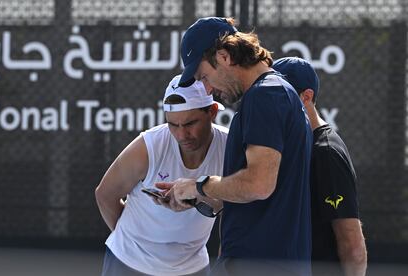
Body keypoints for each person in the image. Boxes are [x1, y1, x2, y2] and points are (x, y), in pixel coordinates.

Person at [156, 17, 313, 276]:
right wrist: (201, 197)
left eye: (204, 76)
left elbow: (259, 184)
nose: (207, 88)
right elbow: (267, 194)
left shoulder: (265, 96)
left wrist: (198, 185)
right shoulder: (275, 93)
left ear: (224, 56)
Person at [95, 74, 228, 276]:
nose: (182, 135)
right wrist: (135, 242)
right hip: (127, 263)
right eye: (173, 125)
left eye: (190, 123)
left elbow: (236, 207)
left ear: (212, 111)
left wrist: (200, 195)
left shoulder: (229, 147)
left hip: (193, 267)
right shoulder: (148, 147)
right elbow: (105, 194)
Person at [273, 57, 367, 276]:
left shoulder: (325, 152)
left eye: (282, 98)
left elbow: (352, 245)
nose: (273, 107)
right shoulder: (298, 143)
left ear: (307, 97)